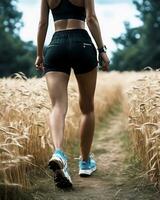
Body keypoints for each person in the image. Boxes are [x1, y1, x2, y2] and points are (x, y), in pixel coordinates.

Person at [35, 0, 110, 189]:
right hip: (82, 43)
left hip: (56, 45)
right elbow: (91, 18)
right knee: (87, 107)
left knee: (57, 106)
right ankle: (85, 163)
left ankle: (59, 153)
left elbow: (42, 23)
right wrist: (102, 50)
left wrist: (39, 54)